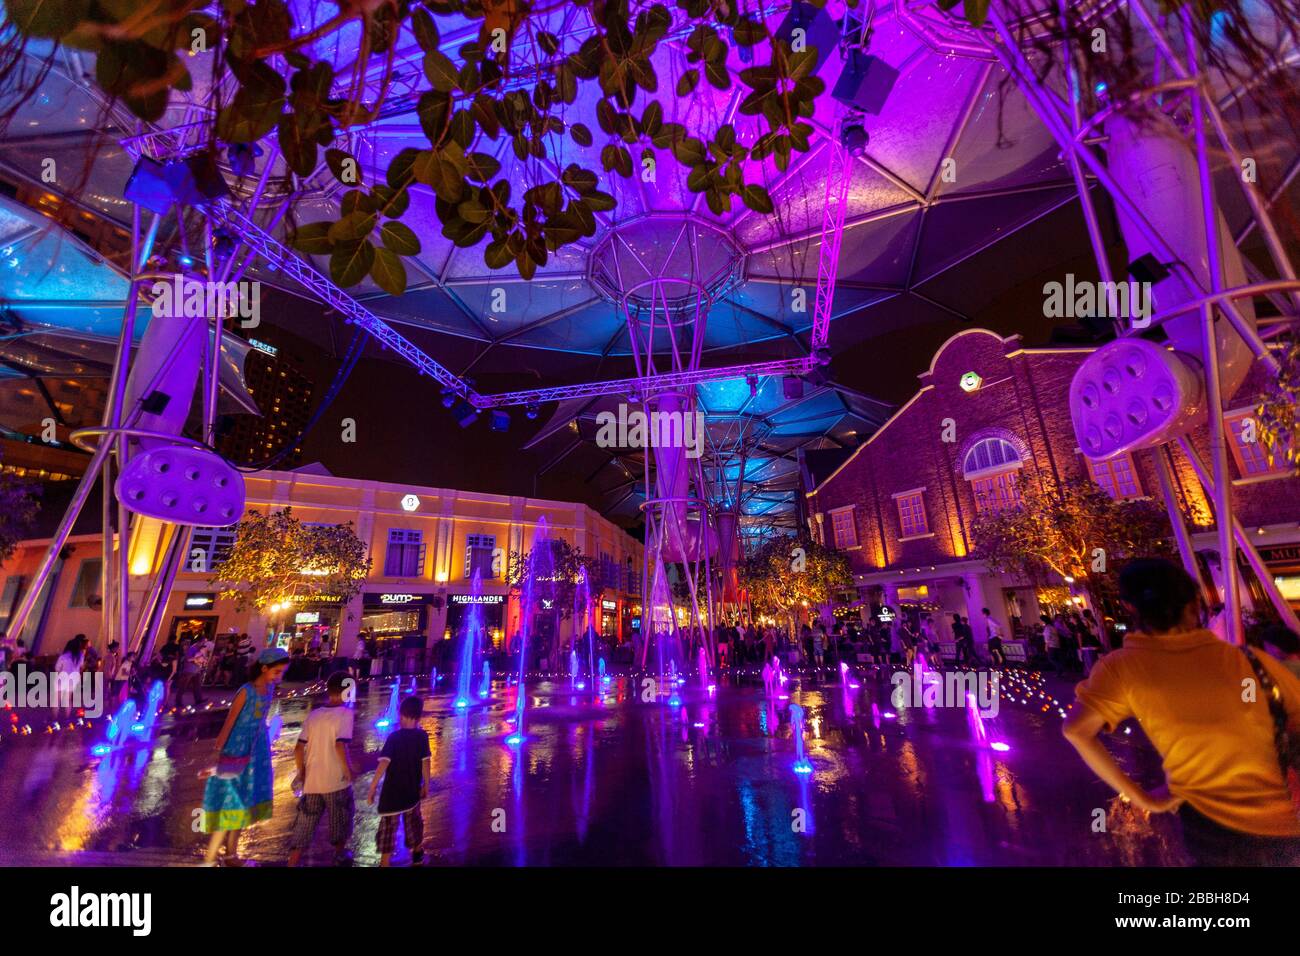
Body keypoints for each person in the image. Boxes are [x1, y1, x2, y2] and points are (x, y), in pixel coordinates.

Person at [1063, 558, 1300, 866]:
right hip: (1285, 820)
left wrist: (1143, 798)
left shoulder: (1122, 668)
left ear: (1129, 608)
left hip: (1210, 823)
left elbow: (1076, 730)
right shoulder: (1250, 660)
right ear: (1195, 603)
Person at [199, 647, 290, 865]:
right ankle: (209, 859)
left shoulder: (268, 690)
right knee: (231, 804)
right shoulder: (245, 691)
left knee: (244, 804)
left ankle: (231, 854)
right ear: (264, 668)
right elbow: (229, 722)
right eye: (276, 672)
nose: (279, 676)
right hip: (235, 752)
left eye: (282, 672)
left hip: (257, 752)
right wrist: (216, 752)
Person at [287, 672, 356, 866]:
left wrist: (302, 773)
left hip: (313, 781)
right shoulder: (345, 713)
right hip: (336, 780)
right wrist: (347, 769)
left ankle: (293, 862)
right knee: (340, 819)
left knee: (306, 823)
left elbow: (298, 748)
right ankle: (339, 855)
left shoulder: (314, 714)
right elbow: (340, 745)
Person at [368, 695, 431, 866]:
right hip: (412, 793)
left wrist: (373, 787)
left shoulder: (394, 737)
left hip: (392, 796)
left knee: (388, 830)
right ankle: (417, 854)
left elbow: (383, 764)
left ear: (402, 714)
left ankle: (385, 862)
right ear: (419, 716)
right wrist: (427, 784)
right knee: (414, 826)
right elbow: (426, 762)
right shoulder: (422, 736)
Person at [53, 637, 85, 721]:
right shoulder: (80, 656)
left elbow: (57, 668)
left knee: (57, 699)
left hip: (62, 678)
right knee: (68, 699)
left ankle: (54, 718)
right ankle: (67, 717)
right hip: (73, 679)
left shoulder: (63, 656)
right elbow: (81, 667)